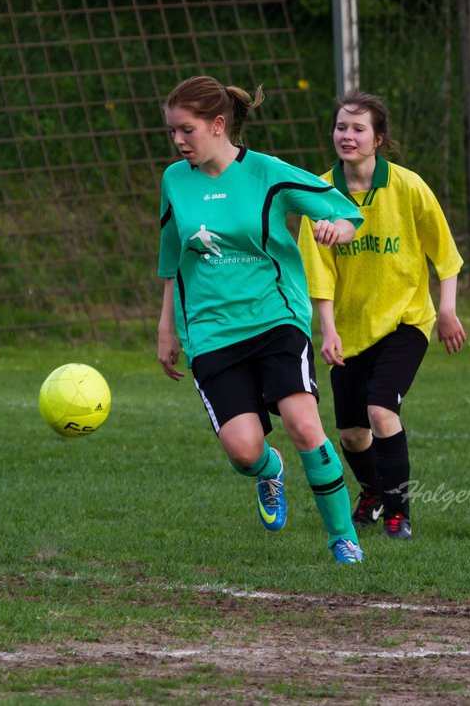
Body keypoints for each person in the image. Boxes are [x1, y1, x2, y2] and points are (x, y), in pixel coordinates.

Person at [156, 75, 368, 565]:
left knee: (302, 423)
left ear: (217, 124)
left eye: (186, 130)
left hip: (276, 318)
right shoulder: (174, 180)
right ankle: (269, 470)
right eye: (172, 132)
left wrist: (336, 226)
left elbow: (345, 211)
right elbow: (172, 254)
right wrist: (167, 325)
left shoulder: (268, 174)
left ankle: (343, 538)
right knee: (244, 452)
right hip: (209, 329)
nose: (178, 141)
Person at [297, 91, 466, 541]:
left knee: (380, 413)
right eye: (340, 127)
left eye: (358, 129)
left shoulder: (408, 186)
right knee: (352, 433)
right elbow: (319, 274)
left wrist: (446, 310)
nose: (347, 136)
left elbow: (445, 254)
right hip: (350, 329)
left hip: (406, 321)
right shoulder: (318, 192)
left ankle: (398, 513)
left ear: (379, 139)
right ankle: (372, 492)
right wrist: (328, 330)